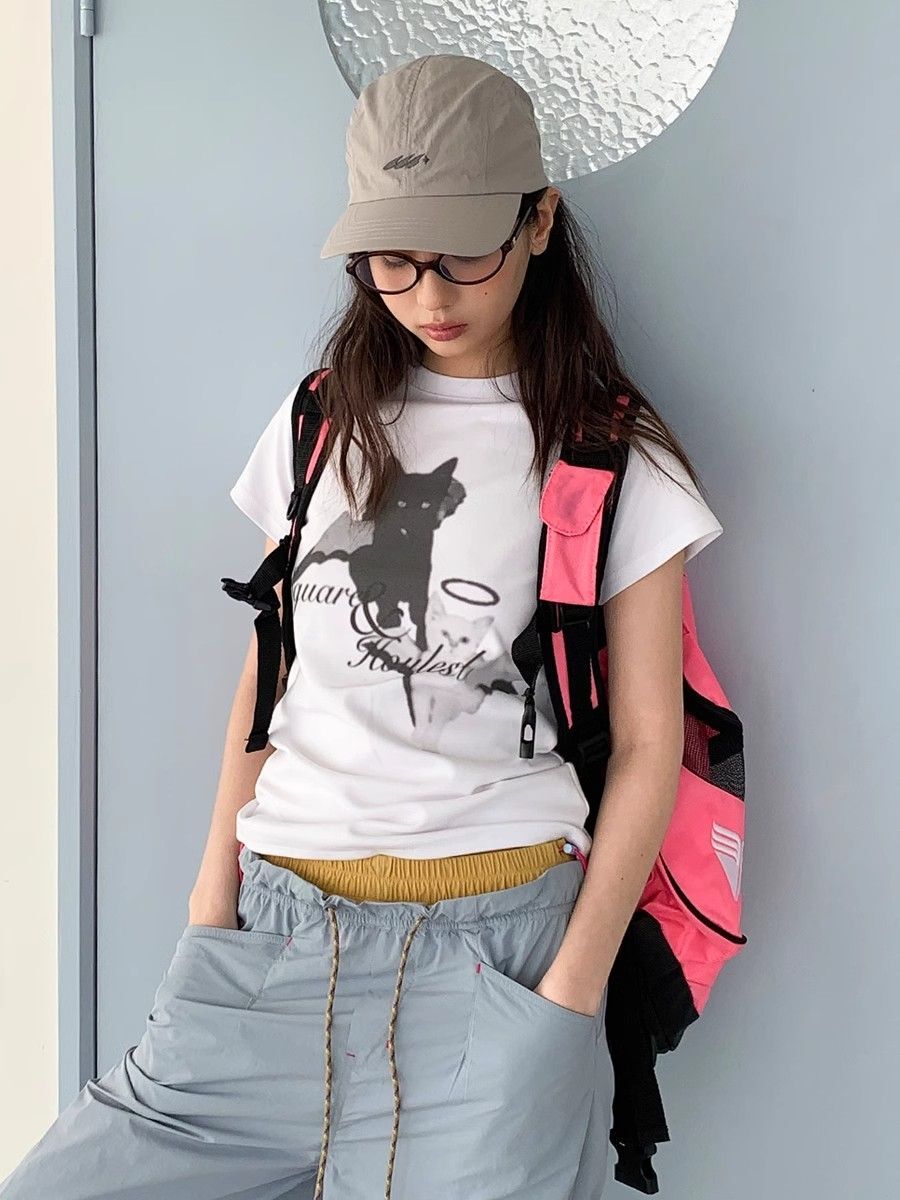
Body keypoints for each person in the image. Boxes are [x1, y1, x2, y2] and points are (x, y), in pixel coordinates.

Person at [1, 52, 723, 1200]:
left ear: (539, 221)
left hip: (497, 967)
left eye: (464, 252)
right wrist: (210, 903)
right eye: (394, 258)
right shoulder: (321, 420)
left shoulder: (604, 453)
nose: (430, 295)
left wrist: (569, 996)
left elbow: (647, 744)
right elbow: (271, 666)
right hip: (271, 948)